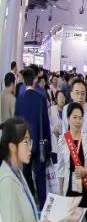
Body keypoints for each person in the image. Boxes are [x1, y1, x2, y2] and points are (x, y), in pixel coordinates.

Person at [15, 67, 51, 206]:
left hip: (24, 143)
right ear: (35, 80)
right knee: (40, 176)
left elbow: (16, 122)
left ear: (24, 81)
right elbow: (46, 123)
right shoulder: (41, 99)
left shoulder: (19, 99)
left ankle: (29, 201)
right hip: (39, 142)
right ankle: (43, 205)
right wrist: (48, 145)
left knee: (25, 173)